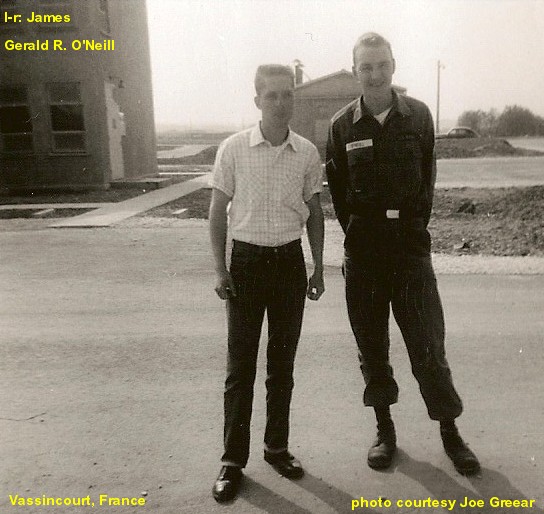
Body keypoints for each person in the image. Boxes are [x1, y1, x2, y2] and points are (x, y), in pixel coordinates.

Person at [326, 33, 480, 476]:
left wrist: (409, 230)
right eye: (366, 67)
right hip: (364, 254)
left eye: (382, 65)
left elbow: (426, 180)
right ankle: (384, 430)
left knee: (428, 346)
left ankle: (450, 431)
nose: (375, 75)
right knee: (372, 348)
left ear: (393, 65)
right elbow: (338, 193)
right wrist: (363, 233)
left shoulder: (419, 116)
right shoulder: (341, 126)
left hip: (409, 251)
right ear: (355, 71)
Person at [209, 64, 325, 502]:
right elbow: (217, 212)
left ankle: (277, 448)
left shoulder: (307, 153)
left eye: (287, 94)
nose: (280, 102)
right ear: (257, 100)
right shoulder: (234, 148)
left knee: (282, 367)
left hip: (289, 265)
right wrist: (220, 269)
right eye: (271, 95)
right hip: (247, 264)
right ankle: (232, 461)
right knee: (240, 369)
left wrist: (318, 267)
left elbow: (315, 213)